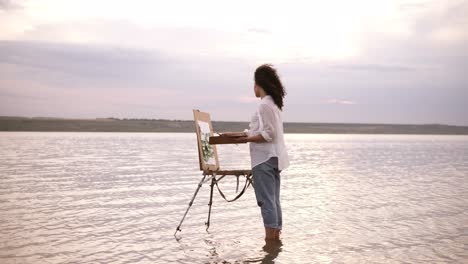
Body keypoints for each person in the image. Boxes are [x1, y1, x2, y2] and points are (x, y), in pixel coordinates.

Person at [222, 64, 289, 241]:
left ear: (259, 84)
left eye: (254, 83)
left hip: (264, 160)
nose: (253, 88)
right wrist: (241, 135)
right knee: (273, 200)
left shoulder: (265, 106)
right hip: (272, 159)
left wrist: (245, 139)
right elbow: (263, 130)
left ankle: (270, 241)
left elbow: (269, 134)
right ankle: (274, 243)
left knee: (267, 201)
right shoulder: (273, 105)